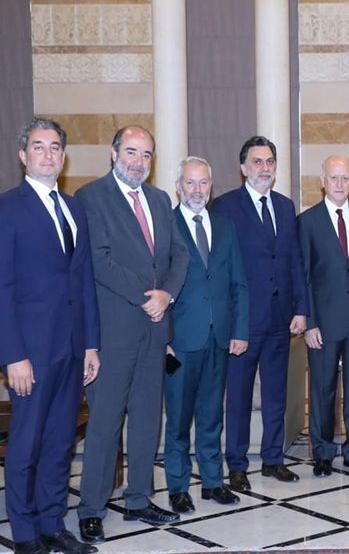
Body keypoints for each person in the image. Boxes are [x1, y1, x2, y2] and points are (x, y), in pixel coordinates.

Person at [76, 125, 190, 542]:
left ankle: (139, 499)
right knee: (105, 424)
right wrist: (147, 296)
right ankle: (91, 508)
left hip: (155, 331)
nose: (138, 161)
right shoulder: (91, 197)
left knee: (146, 420)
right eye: (131, 152)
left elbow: (180, 255)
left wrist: (167, 295)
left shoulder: (159, 200)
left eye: (146, 154)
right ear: (113, 153)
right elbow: (100, 262)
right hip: (114, 333)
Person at [0, 119, 101, 554]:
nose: (48, 154)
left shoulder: (75, 209)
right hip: (30, 354)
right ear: (23, 155)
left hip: (72, 349)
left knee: (60, 443)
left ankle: (52, 523)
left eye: (55, 147)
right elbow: (2, 288)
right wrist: (12, 355)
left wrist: (91, 344)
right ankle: (25, 534)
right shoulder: (7, 209)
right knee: (26, 445)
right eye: (38, 147)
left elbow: (84, 281)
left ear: (64, 156)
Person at [211, 136, 309, 490]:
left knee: (276, 394)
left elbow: (294, 261)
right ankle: (236, 465)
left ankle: (273, 459)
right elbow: (220, 269)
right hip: (243, 323)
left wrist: (301, 308)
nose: (264, 168)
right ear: (243, 168)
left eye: (269, 162)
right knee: (237, 396)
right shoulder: (225, 207)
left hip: (280, 319)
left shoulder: (285, 206)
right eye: (257, 162)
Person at [164, 157, 248, 515]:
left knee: (212, 415)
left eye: (203, 183)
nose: (197, 190)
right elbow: (157, 285)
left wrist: (239, 330)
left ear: (211, 187)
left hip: (219, 338)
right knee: (179, 419)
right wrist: (163, 338)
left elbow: (238, 282)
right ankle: (178, 487)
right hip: (180, 342)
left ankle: (213, 482)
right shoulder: (166, 225)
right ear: (178, 186)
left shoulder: (225, 227)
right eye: (190, 183)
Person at [299, 155, 349, 475]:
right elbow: (304, 277)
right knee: (322, 389)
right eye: (334, 178)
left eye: (345, 178)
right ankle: (322, 452)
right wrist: (309, 323)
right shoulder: (307, 221)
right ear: (322, 182)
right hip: (323, 322)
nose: (340, 183)